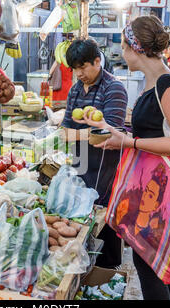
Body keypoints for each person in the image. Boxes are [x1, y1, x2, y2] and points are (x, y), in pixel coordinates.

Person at [77, 15, 170, 300]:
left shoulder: (167, 84)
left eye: (123, 45)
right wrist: (112, 132)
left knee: (152, 271)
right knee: (163, 271)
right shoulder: (153, 82)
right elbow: (154, 130)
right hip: (153, 191)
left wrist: (131, 142)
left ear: (136, 47)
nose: (121, 52)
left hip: (163, 197)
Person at [61, 39, 128, 269]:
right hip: (80, 160)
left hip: (105, 166)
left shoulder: (114, 88)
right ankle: (85, 267)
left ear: (97, 61)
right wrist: (88, 134)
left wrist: (78, 134)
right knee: (81, 215)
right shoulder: (76, 90)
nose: (79, 73)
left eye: (83, 67)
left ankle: (108, 270)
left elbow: (112, 135)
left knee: (105, 216)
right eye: (75, 68)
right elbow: (64, 131)